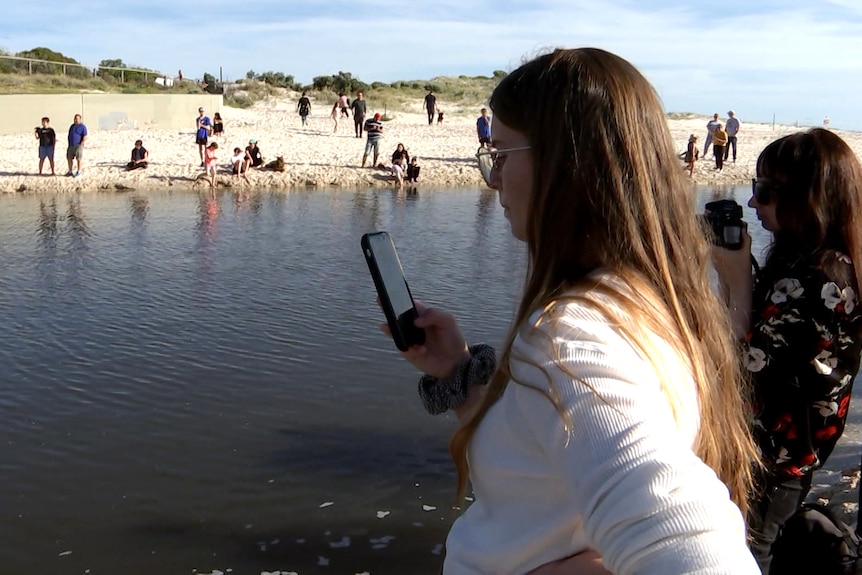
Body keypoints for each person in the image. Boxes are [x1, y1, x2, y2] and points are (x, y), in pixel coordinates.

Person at [379, 48, 759, 574]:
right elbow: (547, 463)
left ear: (567, 164)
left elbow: (695, 550)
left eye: (505, 153)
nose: (493, 179)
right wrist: (459, 376)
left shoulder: (570, 337)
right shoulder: (650, 300)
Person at [711, 128, 862, 574]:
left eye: (765, 192)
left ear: (807, 198)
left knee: (744, 557)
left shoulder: (821, 279)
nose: (754, 204)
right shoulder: (804, 261)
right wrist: (731, 274)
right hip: (776, 455)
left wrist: (737, 278)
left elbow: (744, 365)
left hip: (774, 461)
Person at [66, 113, 88, 178]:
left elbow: (85, 136)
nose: (76, 120)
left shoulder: (83, 127)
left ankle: (78, 171)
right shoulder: (72, 126)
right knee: (69, 158)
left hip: (78, 145)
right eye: (75, 118)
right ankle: (70, 171)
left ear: (80, 119)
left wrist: (81, 144)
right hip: (71, 145)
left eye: (77, 119)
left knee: (78, 159)